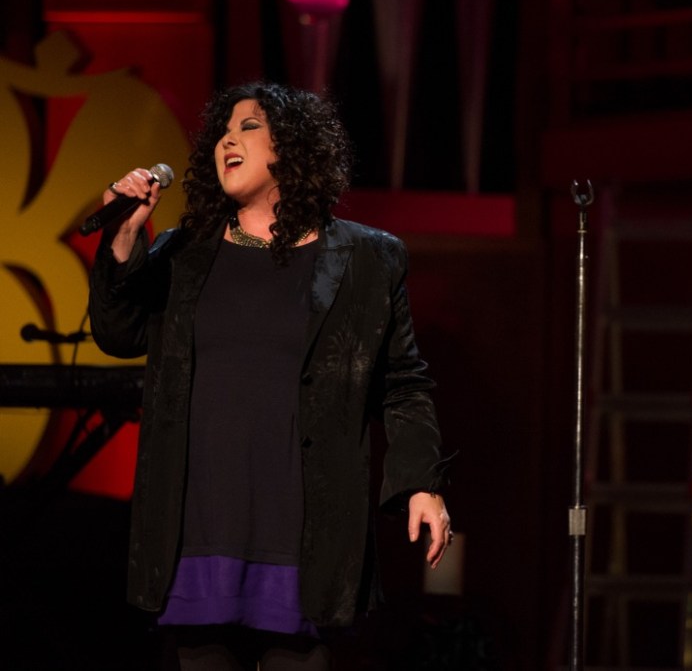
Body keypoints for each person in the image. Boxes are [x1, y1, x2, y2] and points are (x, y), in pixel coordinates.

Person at [88, 80, 453, 670]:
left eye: (248, 127)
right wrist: (124, 237)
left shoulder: (366, 260)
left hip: (302, 538)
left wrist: (422, 484)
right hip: (200, 531)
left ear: (292, 148)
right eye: (222, 132)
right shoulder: (186, 253)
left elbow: (404, 381)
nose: (227, 139)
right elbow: (118, 332)